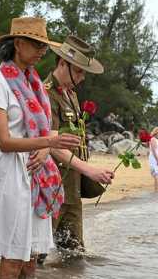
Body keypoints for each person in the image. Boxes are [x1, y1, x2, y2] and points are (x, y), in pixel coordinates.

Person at [0, 17, 81, 279]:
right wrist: (49, 143)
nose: (42, 52)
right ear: (19, 43)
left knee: (32, 258)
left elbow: (44, 131)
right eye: (37, 45)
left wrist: (47, 148)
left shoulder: (34, 84)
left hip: (37, 170)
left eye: (44, 47)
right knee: (14, 255)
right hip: (12, 172)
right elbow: (4, 141)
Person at [44, 35, 114, 253]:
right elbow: (52, 143)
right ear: (63, 63)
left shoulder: (71, 95)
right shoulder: (46, 94)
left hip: (72, 187)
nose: (83, 77)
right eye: (80, 71)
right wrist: (90, 170)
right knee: (38, 253)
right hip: (51, 186)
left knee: (74, 253)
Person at [149, 127, 158, 192]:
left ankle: (157, 187)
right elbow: (153, 150)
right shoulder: (153, 139)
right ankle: (157, 188)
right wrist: (157, 160)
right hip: (155, 158)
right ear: (156, 133)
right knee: (156, 172)